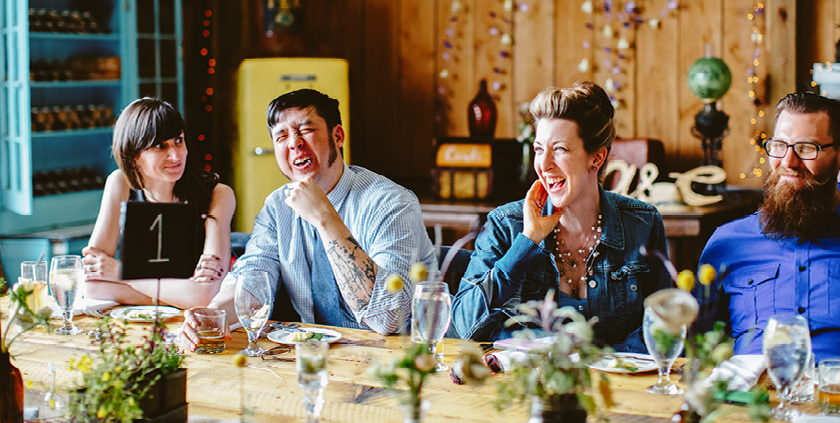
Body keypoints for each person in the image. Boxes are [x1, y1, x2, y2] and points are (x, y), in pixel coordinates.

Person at [180, 88, 435, 346]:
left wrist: (324, 217)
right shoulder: (277, 206)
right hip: (313, 356)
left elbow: (388, 318)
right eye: (281, 136)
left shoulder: (391, 203)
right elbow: (254, 276)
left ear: (337, 136)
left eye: (305, 130)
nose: (294, 143)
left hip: (401, 362)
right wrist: (214, 315)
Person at [452, 81, 671, 350]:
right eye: (539, 149)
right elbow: (464, 327)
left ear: (597, 158)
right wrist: (526, 242)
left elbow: (662, 327)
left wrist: (603, 363)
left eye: (560, 149)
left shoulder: (643, 223)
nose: (543, 165)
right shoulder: (505, 224)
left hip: (616, 386)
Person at [699, 92, 840, 373]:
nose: (789, 162)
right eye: (780, 145)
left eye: (807, 148)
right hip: (754, 409)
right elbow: (699, 348)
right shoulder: (726, 244)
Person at [82, 98, 235, 308]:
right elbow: (91, 284)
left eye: (179, 141)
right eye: (160, 146)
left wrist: (120, 273)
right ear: (133, 155)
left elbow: (205, 297)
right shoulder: (120, 183)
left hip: (197, 327)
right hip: (141, 325)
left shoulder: (218, 194)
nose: (175, 155)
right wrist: (178, 297)